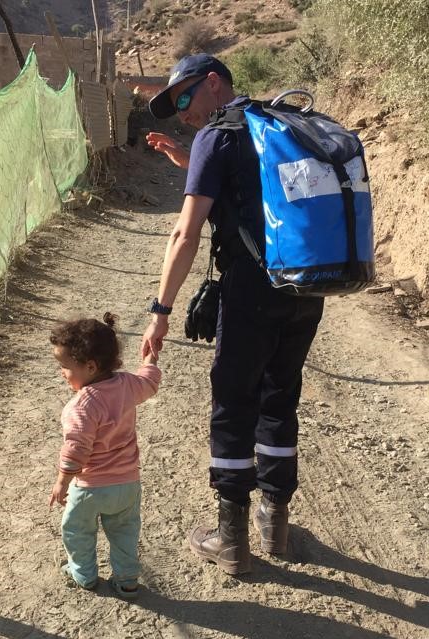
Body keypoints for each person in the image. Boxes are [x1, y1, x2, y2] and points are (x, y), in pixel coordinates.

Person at [141, 54, 324, 575]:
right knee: (280, 394)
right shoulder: (275, 124)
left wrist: (161, 310)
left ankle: (231, 539)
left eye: (184, 96)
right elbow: (259, 196)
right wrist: (188, 161)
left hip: (251, 290)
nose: (181, 111)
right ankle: (274, 521)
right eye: (173, 104)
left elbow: (185, 232)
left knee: (233, 401)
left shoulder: (216, 136)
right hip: (306, 286)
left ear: (214, 83)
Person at [49, 314, 161, 598]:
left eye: (65, 367)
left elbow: (76, 449)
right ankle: (126, 580)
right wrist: (150, 359)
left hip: (90, 487)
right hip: (127, 484)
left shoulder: (82, 406)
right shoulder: (126, 385)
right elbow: (149, 382)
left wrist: (63, 481)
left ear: (90, 366)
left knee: (77, 531)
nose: (62, 373)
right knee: (124, 532)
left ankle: (84, 574)